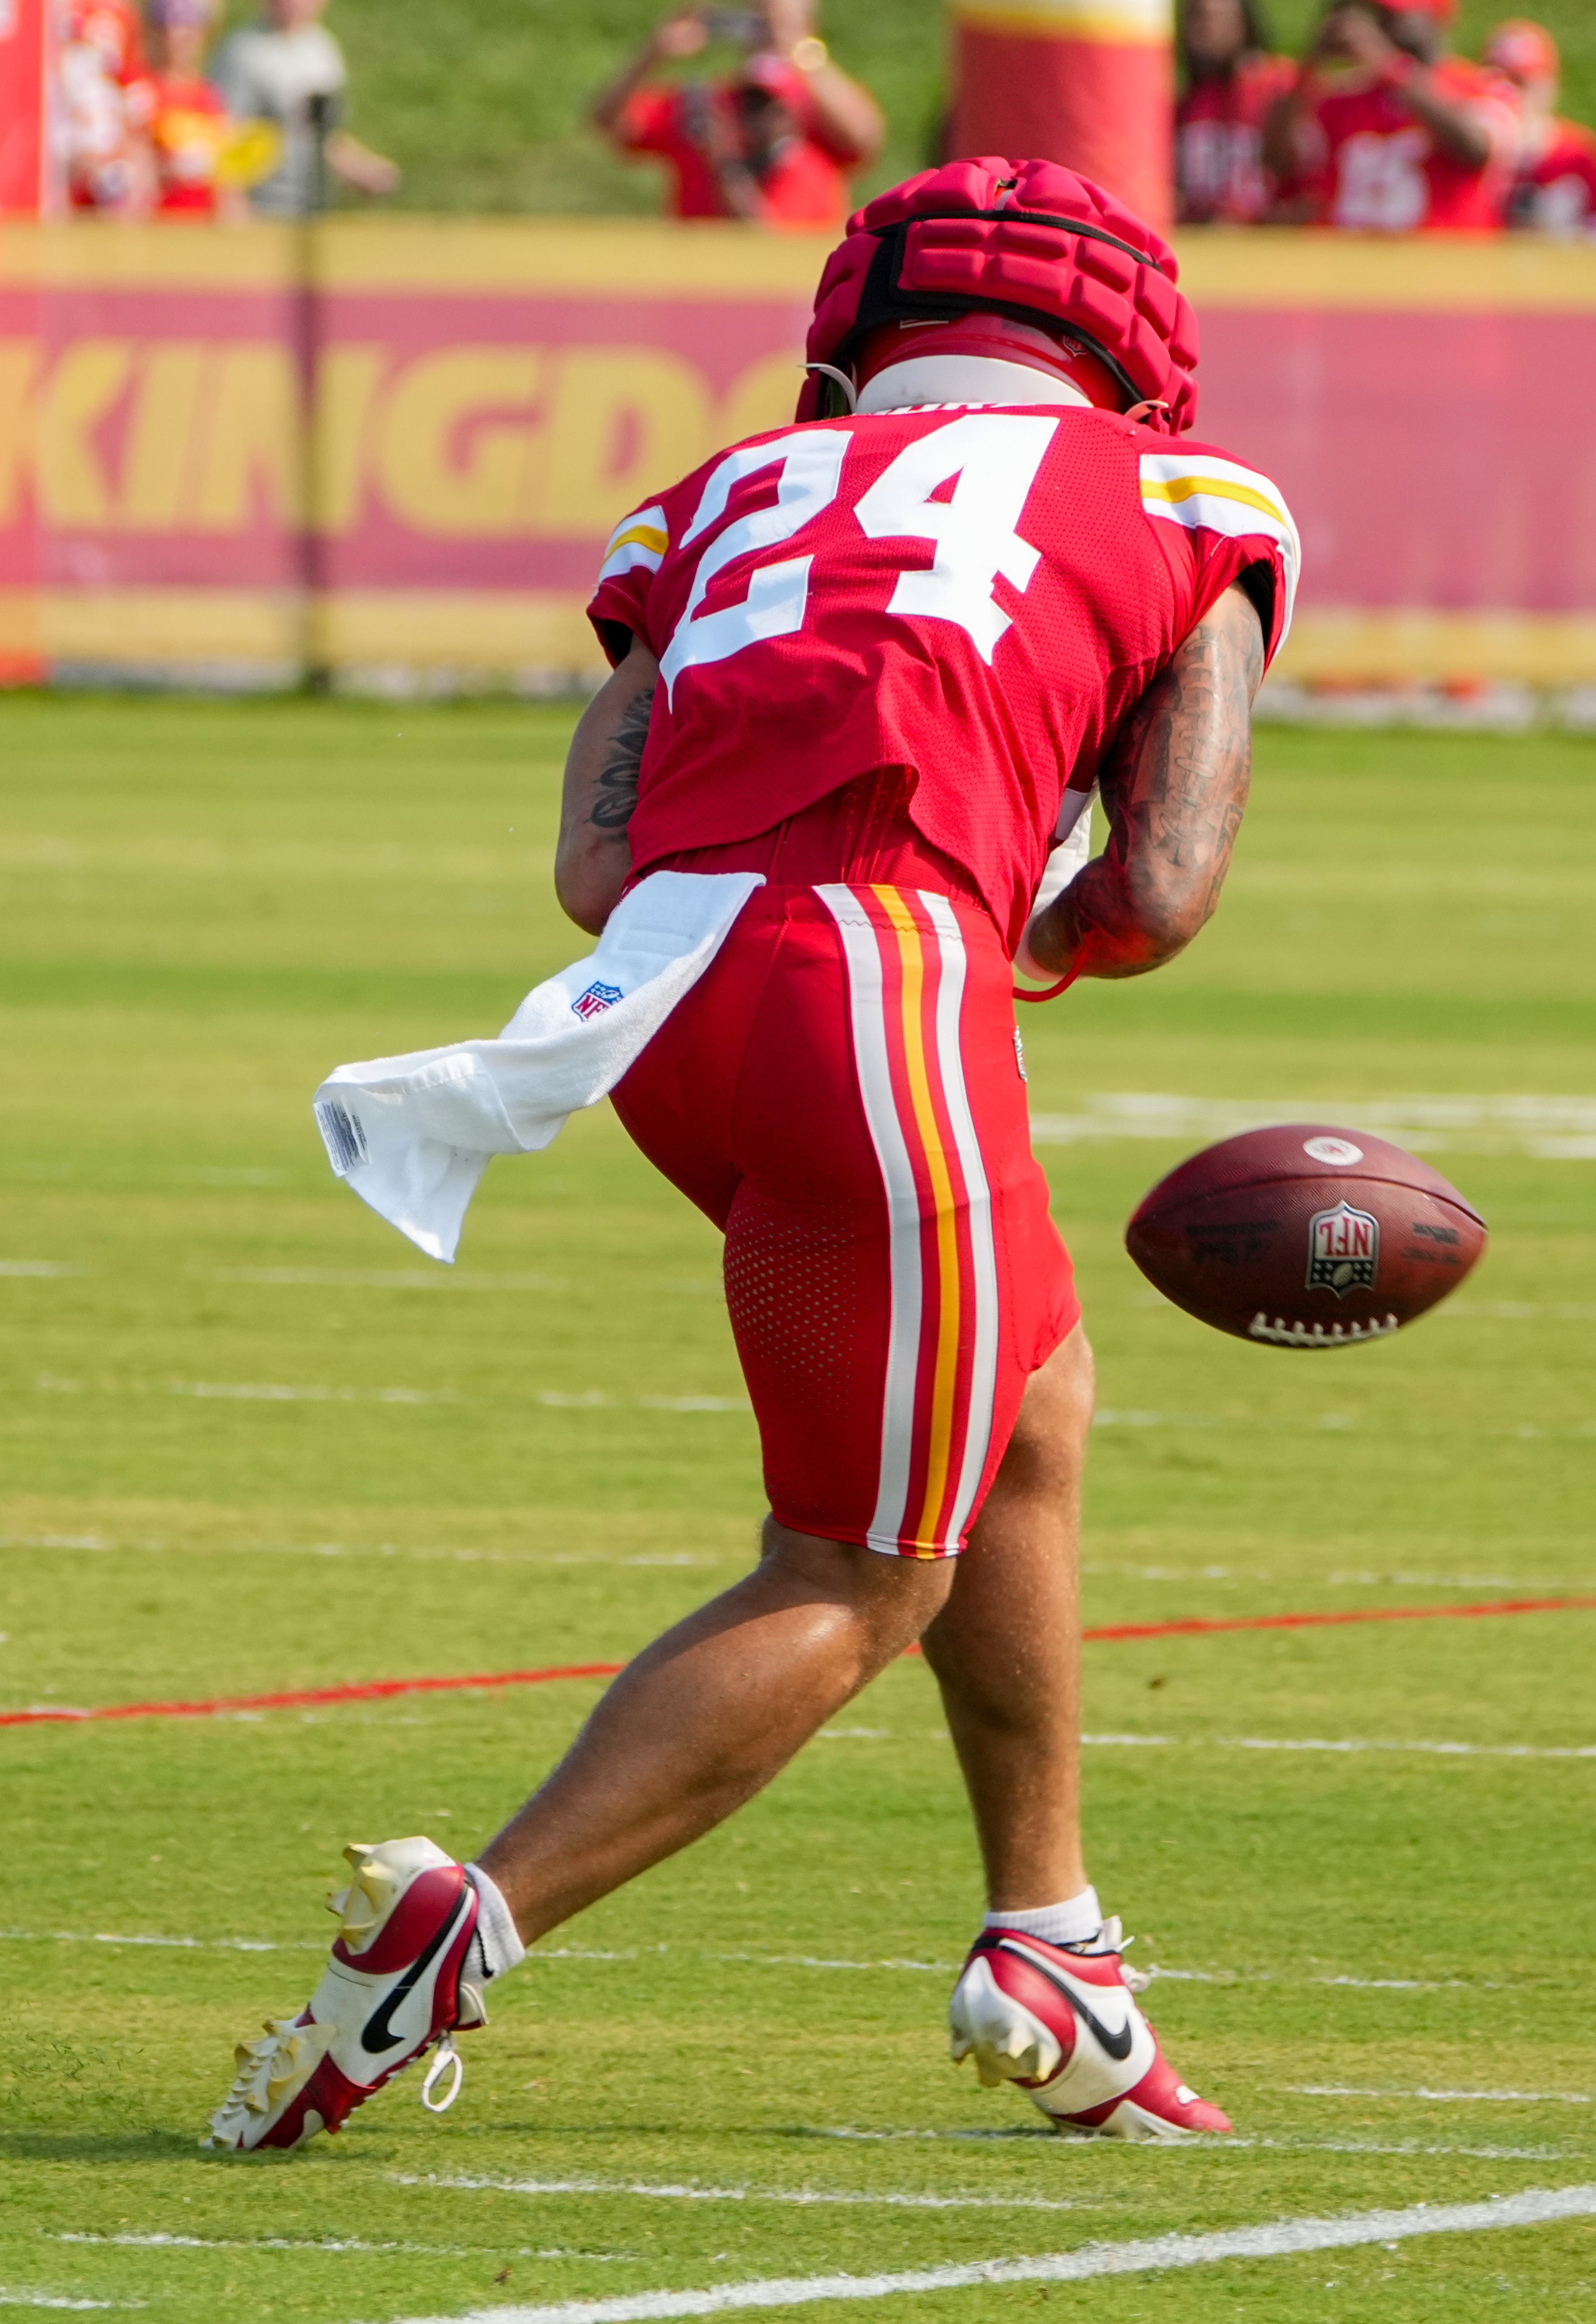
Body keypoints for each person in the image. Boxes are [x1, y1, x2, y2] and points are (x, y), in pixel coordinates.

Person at [204, 157, 1296, 2154]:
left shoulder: (722, 488)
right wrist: (1007, 936)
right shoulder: (1184, 499)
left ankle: (1047, 1942)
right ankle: (464, 1929)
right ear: (1128, 350)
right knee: (857, 1567)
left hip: (655, 1007)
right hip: (878, 991)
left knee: (1022, 1396)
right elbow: (1158, 882)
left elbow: (587, 860)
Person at [590, 0, 884, 229]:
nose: (755, 116)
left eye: (770, 108)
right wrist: (654, 53)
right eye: (759, 20)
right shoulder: (712, 104)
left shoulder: (816, 104)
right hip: (701, 276)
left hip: (800, 277)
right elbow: (610, 122)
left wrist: (800, 49)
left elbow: (864, 137)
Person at [1264, 0, 1518, 232]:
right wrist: (1311, 65)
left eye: (1396, 14)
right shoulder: (1342, 97)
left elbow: (1475, 150)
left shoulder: (1477, 88)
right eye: (1378, 13)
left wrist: (1390, 66)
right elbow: (1279, 165)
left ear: (1436, 16)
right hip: (1351, 269)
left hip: (1443, 269)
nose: (1383, 23)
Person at [212, 0, 399, 219]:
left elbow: (323, 134)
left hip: (312, 211)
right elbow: (221, 135)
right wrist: (234, 207)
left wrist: (359, 168)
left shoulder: (322, 48)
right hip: (263, 212)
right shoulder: (242, 54)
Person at [1487, 18, 1596, 236]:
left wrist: (1569, 236)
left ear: (1549, 86)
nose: (1510, 93)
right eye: (1498, 82)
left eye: (1521, 82)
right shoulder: (1469, 150)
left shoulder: (1577, 153)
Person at [1175, 0, 1295, 225]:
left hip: (1266, 234)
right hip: (1203, 236)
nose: (1202, 28)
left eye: (1213, 18)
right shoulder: (1188, 100)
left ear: (1244, 23)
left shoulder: (1278, 83)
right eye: (1194, 18)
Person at [54, 0, 154, 216]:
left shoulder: (122, 12)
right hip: (62, 156)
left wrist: (123, 153)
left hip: (110, 161)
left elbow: (133, 92)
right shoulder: (53, 9)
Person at [146, 0, 238, 220]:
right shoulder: (143, 90)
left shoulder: (210, 97)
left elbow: (228, 182)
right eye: (168, 23)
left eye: (189, 24)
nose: (178, 35)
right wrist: (169, 170)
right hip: (159, 225)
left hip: (203, 227)